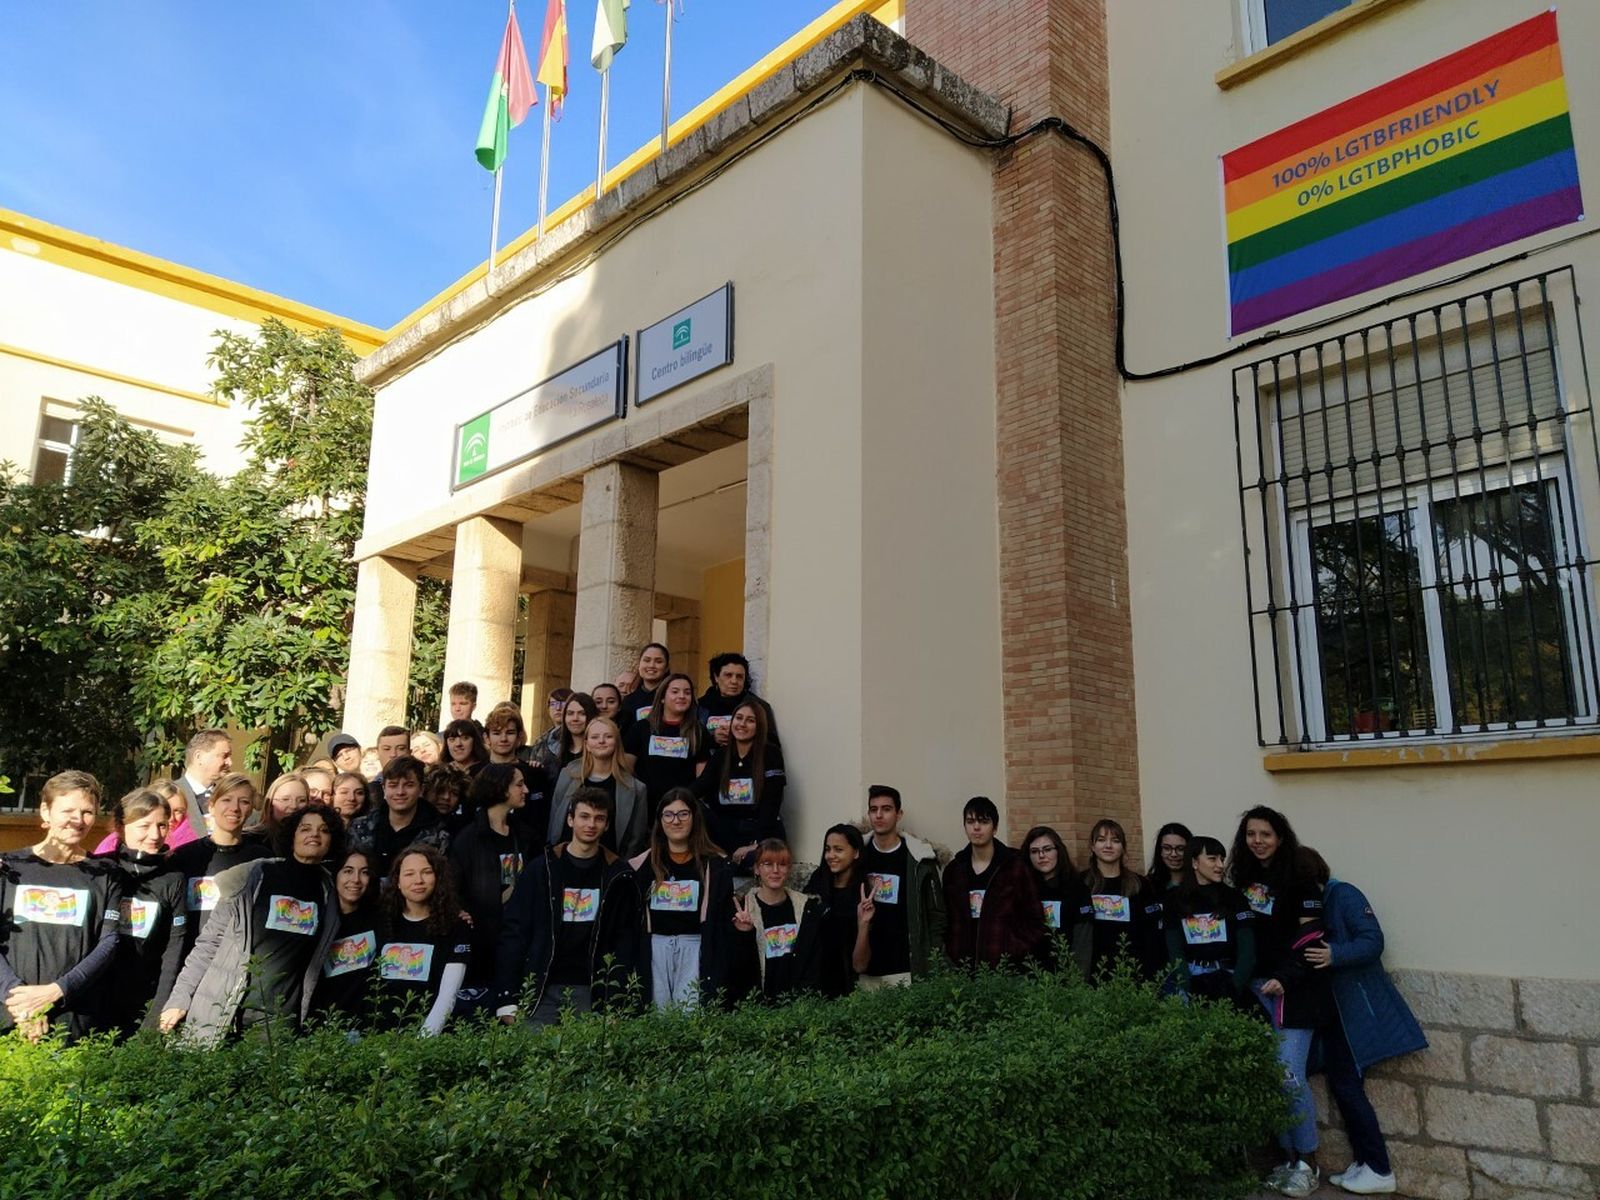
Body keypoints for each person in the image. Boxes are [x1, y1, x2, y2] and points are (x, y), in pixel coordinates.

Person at [159, 806, 343, 1043]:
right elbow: (209, 943)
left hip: (277, 1022)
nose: (314, 834)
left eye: (324, 830)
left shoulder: (329, 893)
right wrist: (180, 998)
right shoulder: (254, 876)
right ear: (292, 836)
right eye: (305, 828)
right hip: (224, 1008)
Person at [1304, 847, 1422, 1197]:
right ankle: (1364, 1163)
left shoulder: (1344, 895)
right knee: (1343, 1085)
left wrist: (1334, 954)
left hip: (1355, 1011)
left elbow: (1372, 940)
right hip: (1335, 1012)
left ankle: (1379, 1168)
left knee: (1348, 1086)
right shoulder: (1318, 902)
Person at [1229, 806, 1328, 1199]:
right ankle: (1289, 1160)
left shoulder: (1301, 882)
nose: (1258, 841)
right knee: (1271, 1076)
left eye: (1265, 834)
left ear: (1281, 837)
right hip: (1255, 990)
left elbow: (1311, 940)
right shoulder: (1244, 880)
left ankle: (1308, 1162)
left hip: (1294, 994)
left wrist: (1285, 977)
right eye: (1251, 834)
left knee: (1288, 1074)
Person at [495, 787, 644, 1025]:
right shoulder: (541, 869)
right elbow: (515, 932)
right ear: (570, 819)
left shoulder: (619, 875)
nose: (591, 824)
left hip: (593, 991)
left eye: (599, 818)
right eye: (584, 816)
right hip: (540, 987)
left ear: (607, 825)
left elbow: (624, 941)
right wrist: (507, 998)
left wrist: (615, 1001)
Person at [0, 771, 123, 1042]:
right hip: (11, 1014)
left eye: (87, 812)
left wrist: (55, 991)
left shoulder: (106, 873)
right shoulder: (9, 867)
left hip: (74, 1018)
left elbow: (108, 943)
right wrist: (19, 1001)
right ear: (46, 811)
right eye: (68, 810)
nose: (78, 820)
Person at [628, 788, 733, 1011]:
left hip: (695, 948)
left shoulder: (715, 864)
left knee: (691, 1016)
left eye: (683, 814)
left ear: (694, 817)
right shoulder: (642, 864)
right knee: (657, 1016)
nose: (676, 821)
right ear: (660, 820)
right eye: (668, 814)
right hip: (655, 948)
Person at [448, 764, 537, 1012]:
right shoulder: (467, 839)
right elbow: (455, 889)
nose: (526, 790)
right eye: (519, 784)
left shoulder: (526, 835)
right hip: (482, 947)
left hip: (519, 939)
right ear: (500, 788)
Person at [98, 787, 188, 1034]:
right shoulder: (103, 869)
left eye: (162, 825)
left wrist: (158, 1010)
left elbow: (174, 948)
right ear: (121, 826)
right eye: (144, 826)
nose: (155, 835)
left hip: (144, 1000)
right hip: (96, 999)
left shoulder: (173, 878)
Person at [168, 773, 273, 959]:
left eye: (244, 802)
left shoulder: (262, 859)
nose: (235, 808)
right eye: (226, 800)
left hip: (236, 959)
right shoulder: (184, 856)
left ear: (251, 810)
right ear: (211, 806)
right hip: (190, 957)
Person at [372, 845, 471, 1036]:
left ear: (438, 878)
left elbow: (448, 995)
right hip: (380, 1036)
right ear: (397, 881)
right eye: (409, 874)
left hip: (430, 1037)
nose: (418, 880)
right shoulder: (381, 921)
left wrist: (423, 1041)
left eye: (426, 872)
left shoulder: (456, 926)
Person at [942, 796, 1046, 971]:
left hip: (1006, 969)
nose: (976, 827)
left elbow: (1035, 919)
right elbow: (947, 919)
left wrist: (1013, 950)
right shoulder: (954, 870)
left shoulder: (1015, 866)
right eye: (970, 821)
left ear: (995, 828)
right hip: (963, 969)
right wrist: (952, 952)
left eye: (984, 821)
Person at [856, 785, 944, 988]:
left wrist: (933, 961)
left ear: (899, 814)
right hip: (865, 969)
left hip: (906, 968)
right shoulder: (857, 856)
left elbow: (936, 916)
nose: (879, 815)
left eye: (886, 809)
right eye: (873, 809)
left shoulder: (919, 859)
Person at [1163, 835, 1256, 1012]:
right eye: (1212, 859)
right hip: (1190, 977)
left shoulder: (1235, 898)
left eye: (1222, 859)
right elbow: (1174, 951)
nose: (1220, 865)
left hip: (1227, 976)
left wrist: (1233, 988)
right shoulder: (1173, 899)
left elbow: (1248, 952)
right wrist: (1188, 987)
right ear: (1194, 862)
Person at [695, 699, 785, 872]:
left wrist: (755, 844)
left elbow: (772, 803)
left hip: (759, 832)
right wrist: (674, 799)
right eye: (738, 718)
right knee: (690, 805)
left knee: (754, 860)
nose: (742, 724)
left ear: (760, 726)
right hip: (725, 832)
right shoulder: (721, 755)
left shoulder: (771, 754)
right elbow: (700, 787)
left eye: (750, 720)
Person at [729, 839, 821, 1002]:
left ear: (789, 868)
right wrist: (744, 933)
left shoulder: (805, 907)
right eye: (768, 864)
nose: (776, 870)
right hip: (760, 1004)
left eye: (782, 864)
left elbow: (812, 960)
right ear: (756, 869)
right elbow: (737, 968)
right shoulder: (744, 909)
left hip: (798, 1003)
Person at [547, 718, 648, 857]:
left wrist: (623, 866)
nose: (601, 741)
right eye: (595, 737)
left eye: (608, 736)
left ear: (617, 743)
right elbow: (554, 819)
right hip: (566, 859)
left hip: (610, 863)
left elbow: (636, 839)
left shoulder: (636, 788)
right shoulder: (567, 775)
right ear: (587, 744)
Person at [1081, 818, 1166, 981]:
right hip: (1093, 974)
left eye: (1115, 840)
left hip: (1134, 973)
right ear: (1092, 846)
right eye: (1101, 840)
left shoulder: (1140, 884)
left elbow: (1152, 933)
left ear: (1123, 847)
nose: (1108, 845)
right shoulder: (1081, 883)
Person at [347, 755, 451, 879]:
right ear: (384, 788)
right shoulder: (359, 828)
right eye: (393, 785)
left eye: (409, 785)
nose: (400, 792)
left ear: (421, 789)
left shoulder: (439, 834)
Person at [621, 673, 711, 813]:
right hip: (645, 807)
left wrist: (683, 800)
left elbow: (702, 778)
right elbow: (626, 770)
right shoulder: (641, 728)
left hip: (682, 809)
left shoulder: (699, 731)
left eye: (687, 692)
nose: (682, 696)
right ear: (662, 697)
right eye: (675, 692)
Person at [310, 848, 380, 1023]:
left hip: (363, 1023)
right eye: (348, 871)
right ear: (336, 876)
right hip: (320, 1023)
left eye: (364, 872)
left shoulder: (379, 920)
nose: (355, 879)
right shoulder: (318, 919)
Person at [802, 824, 871, 997]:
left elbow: (860, 965)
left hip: (848, 987)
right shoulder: (817, 883)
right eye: (827, 849)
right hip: (813, 984)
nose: (831, 855)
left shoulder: (863, 894)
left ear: (856, 853)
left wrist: (863, 924)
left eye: (838, 850)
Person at [1022, 825, 1091, 972]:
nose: (1041, 855)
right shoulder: (1022, 889)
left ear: (1058, 851)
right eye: (1034, 851)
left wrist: (1077, 980)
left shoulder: (1077, 889)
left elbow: (1083, 942)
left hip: (1067, 975)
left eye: (1047, 849)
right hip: (1029, 976)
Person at [482, 703, 552, 843]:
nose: (503, 739)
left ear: (519, 736)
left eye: (510, 733)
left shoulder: (536, 773)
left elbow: (544, 817)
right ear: (486, 737)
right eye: (496, 733)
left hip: (529, 847)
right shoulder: (477, 773)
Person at [698, 652, 781, 746]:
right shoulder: (701, 706)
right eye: (728, 675)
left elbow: (772, 745)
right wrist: (712, 738)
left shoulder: (759, 707)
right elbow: (691, 743)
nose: (734, 681)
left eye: (739, 676)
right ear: (716, 677)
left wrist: (743, 737)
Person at [530, 692, 597, 796]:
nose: (575, 718)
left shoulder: (598, 751)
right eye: (570, 713)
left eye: (582, 713)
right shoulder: (551, 750)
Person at [174, 729, 233, 825]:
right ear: (199, 757)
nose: (230, 763)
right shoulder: (168, 795)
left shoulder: (231, 799)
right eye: (224, 756)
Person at [618, 643, 671, 730]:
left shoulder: (675, 698)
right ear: (639, 664)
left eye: (658, 661)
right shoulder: (629, 701)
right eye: (647, 660)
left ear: (667, 667)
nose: (651, 665)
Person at [366, 725, 414, 812]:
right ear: (377, 752)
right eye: (387, 749)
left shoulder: (425, 787)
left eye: (401, 748)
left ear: (409, 752)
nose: (393, 754)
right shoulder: (367, 791)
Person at [259, 772, 310, 846]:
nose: (294, 806)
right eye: (285, 799)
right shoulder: (252, 841)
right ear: (270, 804)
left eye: (301, 800)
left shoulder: (313, 840)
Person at [423, 767, 472, 835]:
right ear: (425, 791)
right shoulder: (411, 821)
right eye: (440, 791)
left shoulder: (463, 829)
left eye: (454, 793)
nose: (446, 797)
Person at [1146, 822, 1194, 892]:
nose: (1174, 854)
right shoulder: (1147, 885)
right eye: (1167, 848)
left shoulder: (1201, 884)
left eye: (1181, 849)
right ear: (1160, 851)